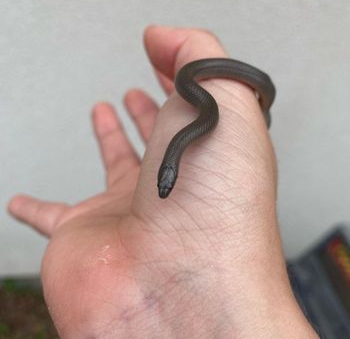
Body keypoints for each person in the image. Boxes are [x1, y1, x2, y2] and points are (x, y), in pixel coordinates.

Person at [8, 25, 319, 338]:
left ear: (168, 171)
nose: (165, 190)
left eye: (165, 186)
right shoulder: (194, 102)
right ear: (168, 171)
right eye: (165, 186)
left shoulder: (205, 114)